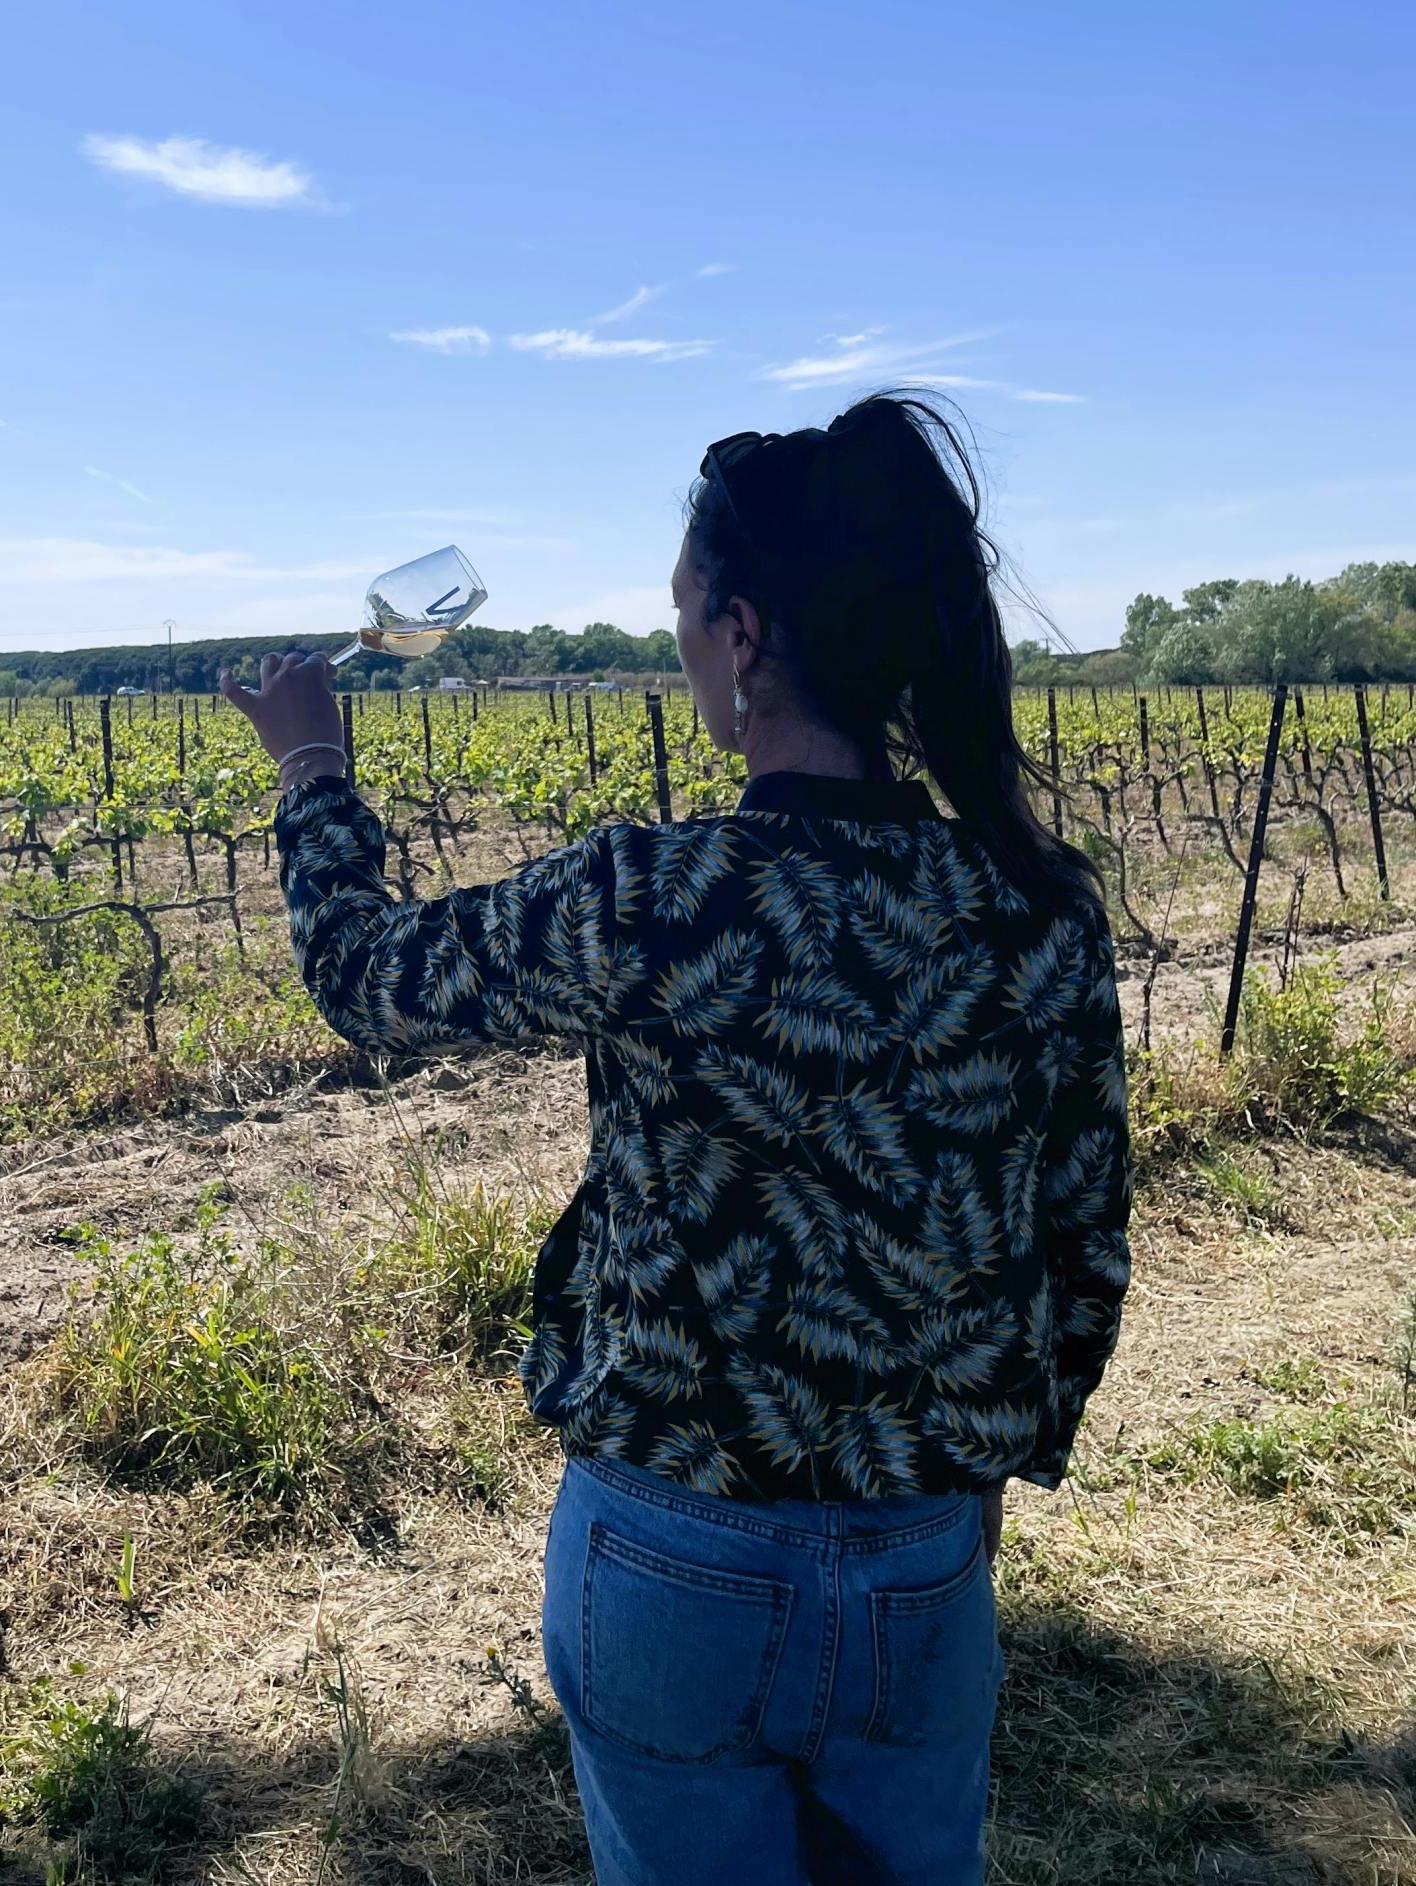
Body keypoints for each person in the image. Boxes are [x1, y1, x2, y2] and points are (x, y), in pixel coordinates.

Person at [220, 388, 1132, 1886]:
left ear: (748, 636)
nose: (685, 646)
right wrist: (987, 1466)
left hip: (670, 1565)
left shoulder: (656, 896)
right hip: (922, 1564)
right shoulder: (1031, 906)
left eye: (687, 611)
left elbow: (370, 983)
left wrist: (313, 766)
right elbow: (1082, 1240)